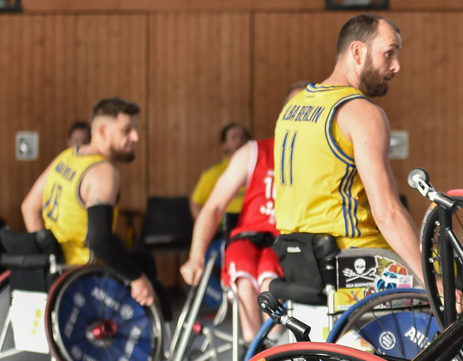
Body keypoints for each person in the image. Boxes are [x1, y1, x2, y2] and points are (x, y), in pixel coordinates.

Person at [273, 14, 425, 285]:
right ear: (358, 51)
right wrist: (432, 280)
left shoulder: (293, 109)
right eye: (388, 54)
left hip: (297, 261)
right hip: (352, 259)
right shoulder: (361, 113)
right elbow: (387, 212)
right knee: (455, 275)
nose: (397, 66)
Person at [179, 82, 307, 341]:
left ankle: (273, 343)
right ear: (283, 114)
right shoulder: (254, 152)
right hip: (248, 235)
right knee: (244, 277)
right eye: (295, 109)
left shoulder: (319, 158)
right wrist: (195, 256)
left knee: (270, 279)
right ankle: (253, 346)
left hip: (287, 240)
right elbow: (212, 207)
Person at [21, 97, 156, 307]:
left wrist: (50, 261)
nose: (136, 137)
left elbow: (29, 208)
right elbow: (100, 241)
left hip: (59, 276)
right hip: (86, 280)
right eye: (127, 130)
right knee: (146, 273)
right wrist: (137, 279)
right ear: (102, 131)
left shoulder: (66, 157)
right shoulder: (103, 172)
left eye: (136, 129)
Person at [189, 122, 251, 219]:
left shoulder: (256, 169)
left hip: (253, 228)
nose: (239, 141)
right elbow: (196, 203)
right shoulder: (213, 173)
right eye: (234, 138)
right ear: (224, 145)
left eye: (243, 138)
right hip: (223, 230)